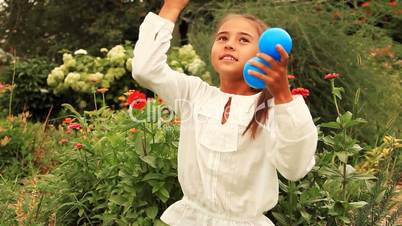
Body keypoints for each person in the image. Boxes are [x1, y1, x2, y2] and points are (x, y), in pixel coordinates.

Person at [132, 0, 318, 225]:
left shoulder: (272, 111)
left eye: (243, 40)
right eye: (222, 37)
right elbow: (145, 70)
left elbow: (295, 168)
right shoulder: (194, 94)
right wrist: (171, 8)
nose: (229, 44)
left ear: (264, 53)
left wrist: (283, 96)